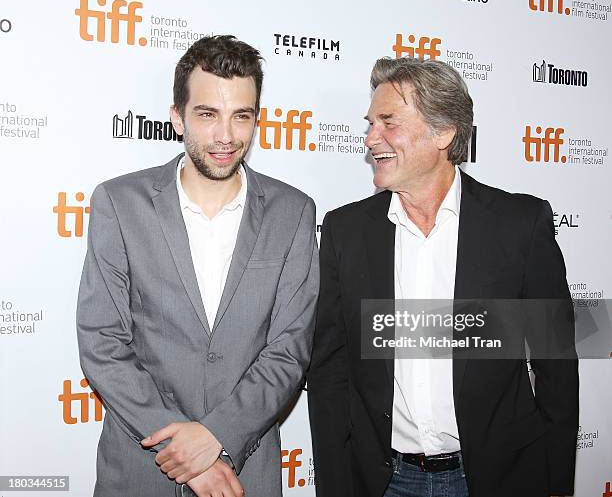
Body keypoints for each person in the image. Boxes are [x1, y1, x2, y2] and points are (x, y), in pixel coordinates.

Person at [307, 56, 578, 497]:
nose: (371, 138)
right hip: (385, 481)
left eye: (388, 122)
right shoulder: (346, 231)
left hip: (499, 478)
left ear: (444, 132)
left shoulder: (519, 224)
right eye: (370, 123)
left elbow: (556, 367)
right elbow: (330, 372)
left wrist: (556, 484)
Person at [76, 35, 318, 497]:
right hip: (141, 466)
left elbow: (289, 350)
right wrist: (187, 453)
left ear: (256, 120)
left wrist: (218, 439)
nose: (226, 136)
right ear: (177, 118)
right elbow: (102, 341)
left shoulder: (294, 212)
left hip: (245, 469)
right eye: (207, 114)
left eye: (241, 116)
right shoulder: (119, 203)